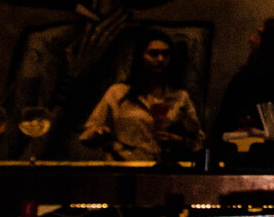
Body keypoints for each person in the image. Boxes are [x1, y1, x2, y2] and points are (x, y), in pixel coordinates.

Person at [78, 29, 204, 161]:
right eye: (153, 54)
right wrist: (99, 133)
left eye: (166, 54)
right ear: (140, 56)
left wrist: (180, 141)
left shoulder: (179, 97)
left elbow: (199, 141)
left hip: (163, 168)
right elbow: (87, 135)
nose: (160, 59)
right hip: (124, 166)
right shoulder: (118, 93)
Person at [213, 18, 274, 135]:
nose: (251, 39)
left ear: (273, 43)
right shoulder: (243, 80)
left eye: (259, 35)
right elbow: (222, 127)